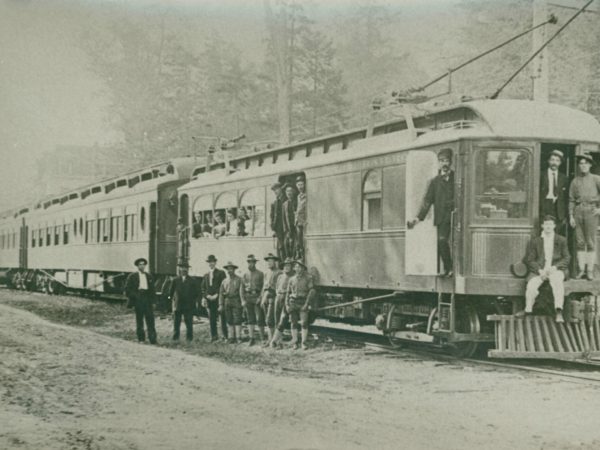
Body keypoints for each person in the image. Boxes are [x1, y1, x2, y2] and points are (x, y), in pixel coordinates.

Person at [408, 148, 455, 277]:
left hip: (456, 217)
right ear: (438, 163)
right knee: (441, 241)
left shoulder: (456, 179)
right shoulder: (434, 182)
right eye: (441, 161)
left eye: (446, 160)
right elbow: (427, 201)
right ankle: (448, 268)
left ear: (450, 162)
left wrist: (452, 203)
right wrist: (417, 219)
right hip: (442, 218)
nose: (444, 163)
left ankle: (452, 269)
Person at [517, 215, 570, 323]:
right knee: (531, 286)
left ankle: (558, 311)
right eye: (546, 224)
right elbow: (530, 259)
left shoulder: (561, 240)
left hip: (555, 270)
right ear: (542, 226)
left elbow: (567, 257)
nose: (548, 227)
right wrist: (539, 271)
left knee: (557, 282)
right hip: (540, 271)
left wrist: (555, 267)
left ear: (554, 226)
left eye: (550, 224)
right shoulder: (535, 241)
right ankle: (528, 310)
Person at [569, 153, 600, 280]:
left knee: (591, 242)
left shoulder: (596, 179)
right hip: (578, 211)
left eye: (585, 163)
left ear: (590, 165)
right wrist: (571, 215)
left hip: (591, 211)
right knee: (580, 242)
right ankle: (582, 270)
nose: (583, 166)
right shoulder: (575, 181)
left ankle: (590, 270)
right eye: (581, 163)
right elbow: (571, 199)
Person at [124, 257, 158, 344]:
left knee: (150, 319)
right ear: (137, 266)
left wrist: (153, 301)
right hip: (138, 299)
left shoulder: (149, 276)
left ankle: (153, 339)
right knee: (139, 320)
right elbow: (127, 290)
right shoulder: (132, 276)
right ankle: (141, 339)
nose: (142, 266)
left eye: (144, 264)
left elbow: (152, 290)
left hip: (147, 299)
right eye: (140, 265)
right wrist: (135, 296)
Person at [285, 260, 315, 350]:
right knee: (293, 323)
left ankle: (303, 343)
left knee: (304, 323)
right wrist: (287, 304)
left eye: (299, 267)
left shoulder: (308, 278)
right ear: (294, 268)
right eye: (296, 267)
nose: (297, 269)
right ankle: (295, 342)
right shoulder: (291, 279)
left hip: (302, 303)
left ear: (303, 268)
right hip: (293, 303)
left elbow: (312, 291)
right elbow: (288, 292)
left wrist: (307, 304)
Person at [169, 262, 198, 342]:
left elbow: (196, 293)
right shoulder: (175, 280)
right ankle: (175, 338)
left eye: (186, 268)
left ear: (188, 269)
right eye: (182, 268)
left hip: (188, 305)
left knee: (189, 323)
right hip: (178, 305)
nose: (184, 269)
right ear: (179, 269)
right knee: (176, 322)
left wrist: (193, 302)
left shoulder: (192, 281)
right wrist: (172, 302)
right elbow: (170, 293)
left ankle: (189, 339)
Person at [269, 258, 295, 348]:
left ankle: (277, 341)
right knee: (276, 318)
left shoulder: (292, 277)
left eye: (288, 266)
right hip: (278, 297)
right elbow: (276, 287)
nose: (286, 268)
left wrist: (286, 296)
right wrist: (278, 293)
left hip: (286, 298)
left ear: (291, 267)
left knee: (283, 319)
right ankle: (278, 340)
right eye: (285, 266)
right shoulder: (280, 276)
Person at [201, 255, 227, 342]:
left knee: (222, 318)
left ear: (215, 262)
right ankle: (214, 336)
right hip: (210, 300)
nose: (211, 264)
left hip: (219, 299)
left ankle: (224, 336)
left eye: (212, 262)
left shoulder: (221, 273)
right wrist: (207, 296)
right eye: (209, 262)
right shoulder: (206, 275)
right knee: (211, 318)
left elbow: (223, 285)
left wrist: (217, 295)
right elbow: (203, 288)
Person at [540, 150, 568, 230]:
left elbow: (566, 197)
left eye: (557, 160)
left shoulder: (564, 178)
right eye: (552, 160)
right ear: (548, 161)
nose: (554, 163)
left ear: (560, 163)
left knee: (557, 231)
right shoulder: (541, 175)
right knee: (544, 230)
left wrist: (565, 215)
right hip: (544, 206)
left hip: (558, 208)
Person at [241, 254, 265, 345]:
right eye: (249, 262)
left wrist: (260, 297)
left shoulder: (260, 273)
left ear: (255, 263)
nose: (250, 264)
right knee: (250, 319)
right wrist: (243, 300)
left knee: (259, 318)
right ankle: (252, 338)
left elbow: (263, 287)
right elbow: (242, 288)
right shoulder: (244, 274)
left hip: (257, 297)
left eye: (252, 262)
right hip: (248, 297)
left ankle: (262, 338)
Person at [219, 261, 244, 343]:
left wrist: (242, 301)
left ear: (234, 269)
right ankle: (231, 337)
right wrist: (221, 304)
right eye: (228, 269)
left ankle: (238, 337)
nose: (230, 271)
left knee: (237, 319)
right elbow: (221, 293)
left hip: (236, 300)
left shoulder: (239, 279)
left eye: (231, 269)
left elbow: (241, 291)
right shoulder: (224, 281)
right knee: (229, 319)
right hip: (227, 301)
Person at [261, 253, 281, 346]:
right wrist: (262, 297)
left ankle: (275, 341)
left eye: (271, 261)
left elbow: (277, 287)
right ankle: (270, 339)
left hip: (274, 299)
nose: (269, 263)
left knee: (272, 319)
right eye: (268, 261)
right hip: (265, 299)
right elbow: (264, 287)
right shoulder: (266, 273)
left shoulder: (279, 273)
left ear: (275, 262)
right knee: (267, 320)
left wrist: (268, 292)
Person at [270, 182, 286, 260]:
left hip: (285, 227)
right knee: (280, 247)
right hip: (278, 228)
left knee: (284, 246)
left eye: (277, 189)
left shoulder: (285, 199)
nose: (276, 192)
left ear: (281, 189)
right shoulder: (275, 202)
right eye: (274, 190)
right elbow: (272, 215)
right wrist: (273, 227)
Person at [282, 184, 297, 260]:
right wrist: (286, 229)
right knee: (286, 243)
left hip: (295, 227)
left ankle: (294, 258)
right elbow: (283, 217)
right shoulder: (284, 204)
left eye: (290, 191)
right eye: (287, 191)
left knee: (295, 243)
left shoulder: (297, 201)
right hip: (288, 228)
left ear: (293, 192)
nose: (289, 193)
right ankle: (288, 258)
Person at [295, 175, 307, 260]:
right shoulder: (298, 196)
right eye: (299, 185)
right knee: (298, 240)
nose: (300, 187)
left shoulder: (306, 195)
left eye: (302, 185)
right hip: (298, 222)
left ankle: (303, 256)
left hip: (303, 221)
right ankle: (299, 254)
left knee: (303, 240)